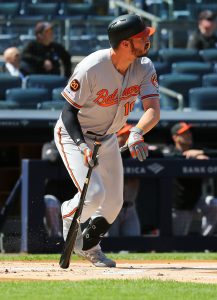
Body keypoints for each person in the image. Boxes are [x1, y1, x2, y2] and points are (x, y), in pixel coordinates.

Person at [54, 13, 160, 268]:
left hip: (108, 137)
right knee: (94, 194)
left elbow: (153, 109)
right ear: (125, 43)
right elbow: (69, 113)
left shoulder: (144, 66)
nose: (148, 41)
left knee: (113, 203)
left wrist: (136, 132)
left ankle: (89, 246)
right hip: (74, 135)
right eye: (142, 37)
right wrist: (81, 147)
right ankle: (69, 211)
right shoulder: (92, 66)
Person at [169, 122, 217, 236]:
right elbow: (173, 158)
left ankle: (206, 241)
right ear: (175, 137)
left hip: (197, 200)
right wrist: (193, 159)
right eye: (184, 133)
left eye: (189, 132)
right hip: (180, 205)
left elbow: (213, 153)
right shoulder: (171, 152)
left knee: (214, 205)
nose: (189, 135)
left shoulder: (196, 151)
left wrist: (201, 153)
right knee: (177, 242)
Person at [108, 123, 141, 237]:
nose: (128, 138)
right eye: (125, 135)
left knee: (133, 245)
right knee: (110, 246)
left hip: (130, 207)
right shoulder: (106, 153)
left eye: (129, 134)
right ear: (116, 137)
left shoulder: (135, 153)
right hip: (110, 208)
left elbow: (158, 155)